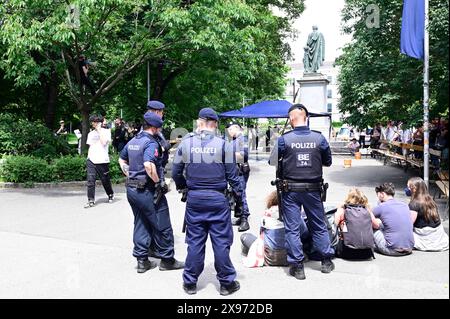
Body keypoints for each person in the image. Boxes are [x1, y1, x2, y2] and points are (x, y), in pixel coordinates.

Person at [172, 108, 242, 296]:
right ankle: (226, 284)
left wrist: (184, 186)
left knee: (195, 241)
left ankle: (190, 282)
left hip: (195, 198)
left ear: (200, 122)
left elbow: (175, 172)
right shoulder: (224, 145)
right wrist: (240, 200)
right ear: (215, 124)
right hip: (218, 198)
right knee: (221, 241)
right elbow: (233, 177)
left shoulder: (186, 144)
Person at [269, 103, 334, 280]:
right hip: (313, 189)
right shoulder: (319, 138)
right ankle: (326, 260)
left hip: (290, 190)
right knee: (318, 225)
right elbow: (328, 161)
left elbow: (271, 161)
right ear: (306, 117)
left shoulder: (284, 139)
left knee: (292, 228)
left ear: (291, 119)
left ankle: (297, 267)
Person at [118, 112, 184, 273]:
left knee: (141, 222)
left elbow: (121, 160)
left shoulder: (134, 140)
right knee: (162, 224)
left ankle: (142, 260)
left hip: (132, 189)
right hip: (148, 190)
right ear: (154, 128)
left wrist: (131, 174)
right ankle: (167, 260)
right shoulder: (150, 143)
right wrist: (158, 183)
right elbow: (148, 164)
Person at [145, 100, 174, 259]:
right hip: (153, 176)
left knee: (151, 214)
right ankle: (158, 248)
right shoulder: (152, 131)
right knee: (158, 215)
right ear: (156, 112)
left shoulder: (154, 130)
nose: (162, 114)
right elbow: (152, 154)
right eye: (161, 112)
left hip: (156, 172)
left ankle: (151, 245)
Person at [406, 177, 449, 251]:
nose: (407, 189)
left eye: (408, 187)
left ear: (414, 189)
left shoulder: (414, 204)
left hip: (425, 235)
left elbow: (409, 223)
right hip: (437, 234)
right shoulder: (430, 200)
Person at [372, 183, 415, 256]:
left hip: (392, 250)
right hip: (409, 248)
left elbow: (367, 215)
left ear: (382, 194)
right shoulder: (404, 205)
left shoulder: (382, 206)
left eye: (378, 195)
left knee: (374, 226)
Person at [334, 188, 378, 260]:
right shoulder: (367, 210)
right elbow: (376, 225)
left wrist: (339, 209)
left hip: (347, 252)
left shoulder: (343, 210)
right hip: (367, 253)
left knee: (340, 226)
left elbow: (334, 225)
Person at [84, 115, 114, 208]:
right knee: (90, 180)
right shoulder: (91, 134)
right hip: (91, 159)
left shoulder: (106, 132)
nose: (93, 124)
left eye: (95, 122)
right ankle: (90, 200)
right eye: (92, 122)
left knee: (105, 180)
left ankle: (110, 194)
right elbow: (90, 146)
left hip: (102, 160)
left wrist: (100, 130)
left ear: (100, 122)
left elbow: (104, 143)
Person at [227, 121, 251, 232]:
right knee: (236, 194)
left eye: (230, 129)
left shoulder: (242, 139)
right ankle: (240, 217)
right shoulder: (235, 140)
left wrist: (228, 154)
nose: (229, 132)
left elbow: (244, 155)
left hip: (240, 170)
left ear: (236, 128)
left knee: (241, 194)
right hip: (235, 171)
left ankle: (244, 219)